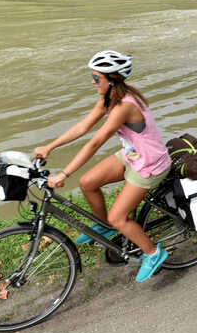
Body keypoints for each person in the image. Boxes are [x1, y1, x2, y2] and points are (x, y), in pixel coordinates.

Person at [34, 50, 172, 283]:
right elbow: (83, 127)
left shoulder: (124, 106)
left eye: (96, 78)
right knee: (88, 182)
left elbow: (95, 142)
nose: (92, 81)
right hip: (132, 155)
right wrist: (50, 146)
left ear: (112, 80)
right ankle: (105, 228)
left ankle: (153, 253)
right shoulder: (109, 98)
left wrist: (65, 173)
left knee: (119, 217)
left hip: (149, 164)